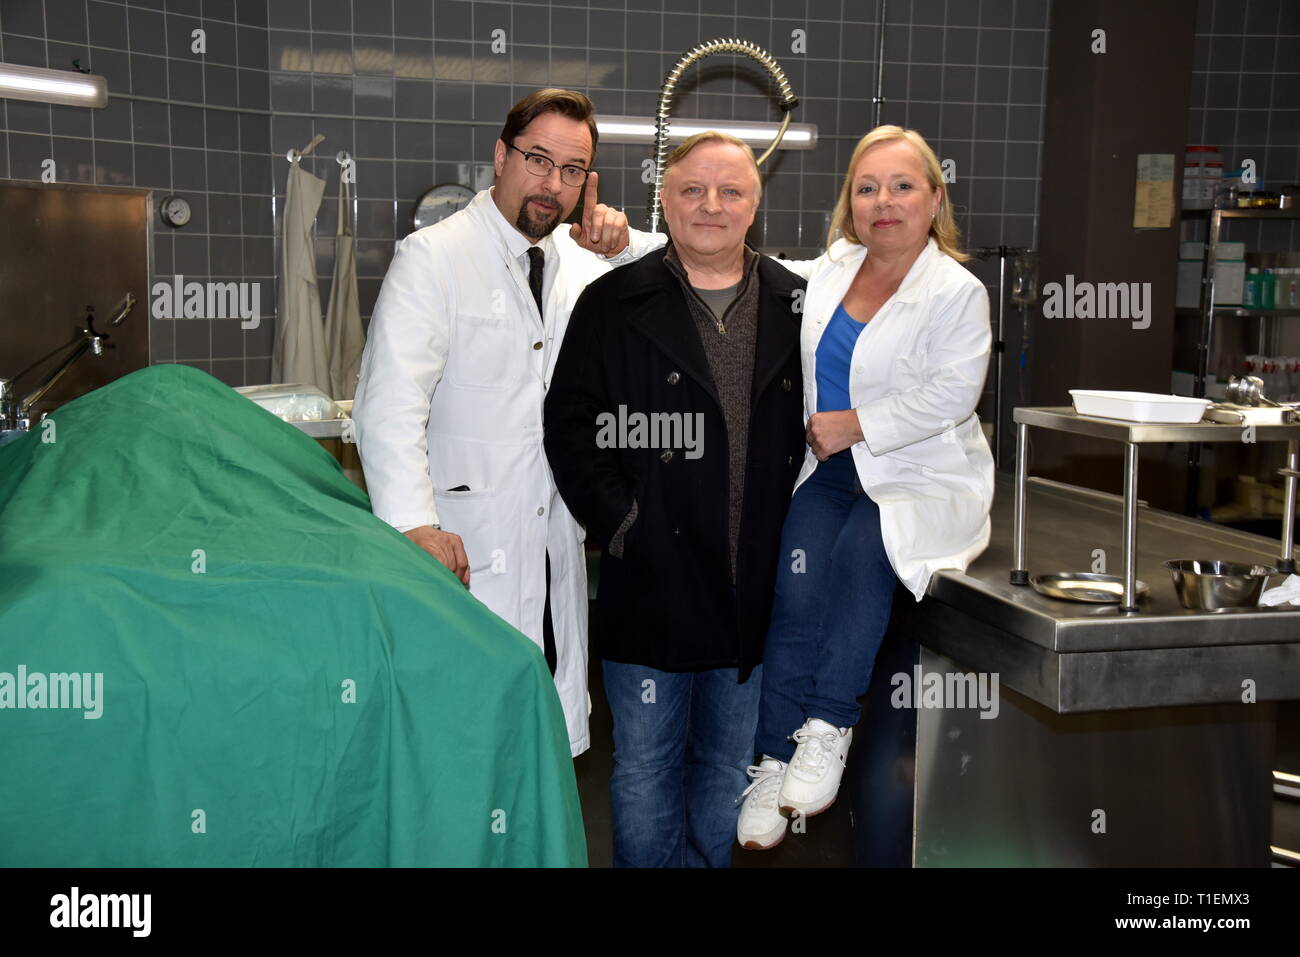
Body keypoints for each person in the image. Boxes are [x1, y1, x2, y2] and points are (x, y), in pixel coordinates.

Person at [351, 89, 660, 758]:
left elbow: (690, 263)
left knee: (545, 744)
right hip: (463, 546)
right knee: (461, 740)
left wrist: (622, 237)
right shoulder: (433, 257)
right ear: (500, 155)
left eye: (573, 170)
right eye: (538, 160)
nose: (553, 184)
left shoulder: (583, 264)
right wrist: (412, 524)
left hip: (555, 545)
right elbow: (389, 404)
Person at [544, 132, 806, 867]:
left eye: (730, 191)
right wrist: (627, 526)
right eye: (692, 190)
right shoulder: (613, 302)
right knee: (647, 769)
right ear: (666, 200)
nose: (711, 206)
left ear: (756, 203)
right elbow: (571, 428)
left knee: (726, 769)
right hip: (651, 581)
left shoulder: (795, 305)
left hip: (751, 590)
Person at [735, 125, 995, 850]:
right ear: (850, 202)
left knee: (858, 552)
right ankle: (774, 757)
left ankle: (828, 725)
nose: (885, 201)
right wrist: (625, 239)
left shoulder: (956, 291)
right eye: (868, 187)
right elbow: (736, 264)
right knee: (796, 583)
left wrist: (858, 423)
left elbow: (953, 394)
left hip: (920, 473)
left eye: (903, 186)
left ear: (934, 198)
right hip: (836, 469)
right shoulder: (833, 267)